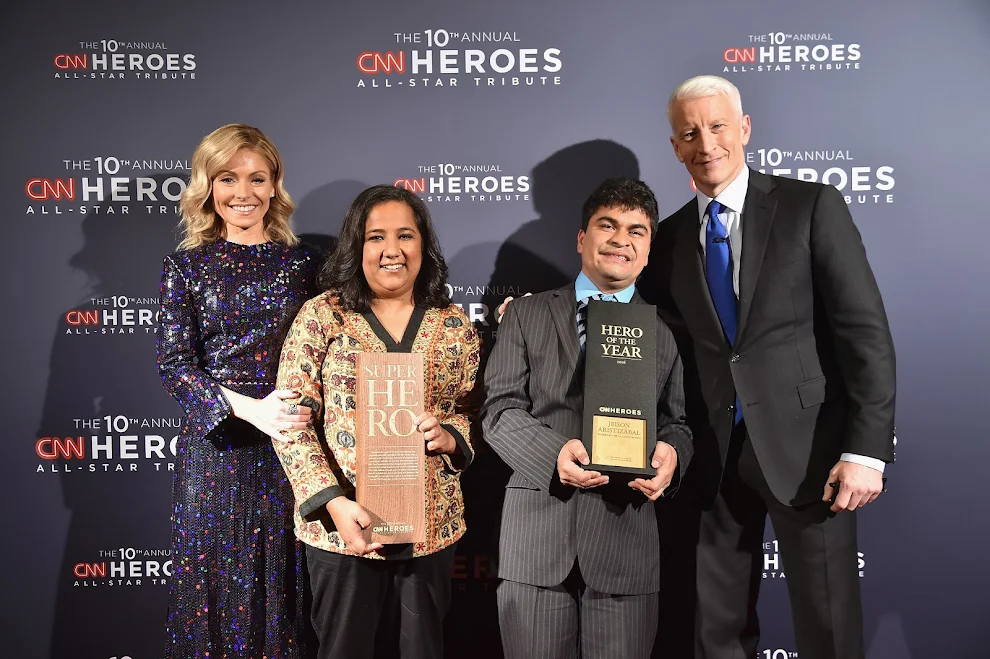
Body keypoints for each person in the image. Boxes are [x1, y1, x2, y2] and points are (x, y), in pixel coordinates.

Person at [637, 75, 896, 659]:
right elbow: (653, 341)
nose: (707, 143)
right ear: (675, 147)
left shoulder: (810, 206)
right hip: (711, 463)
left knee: (830, 632)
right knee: (716, 634)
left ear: (745, 128)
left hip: (812, 456)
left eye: (718, 126)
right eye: (689, 133)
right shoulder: (667, 239)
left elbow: (865, 334)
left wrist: (866, 451)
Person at [481, 178, 693, 658]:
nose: (621, 240)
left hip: (626, 542)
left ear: (648, 251)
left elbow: (677, 423)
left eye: (637, 231)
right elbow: (498, 411)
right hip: (536, 542)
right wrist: (554, 454)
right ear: (582, 238)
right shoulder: (526, 314)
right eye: (607, 225)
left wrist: (673, 455)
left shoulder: (664, 334)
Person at [271, 184, 480, 659]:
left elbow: (466, 409)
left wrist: (449, 438)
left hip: (431, 528)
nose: (392, 250)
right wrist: (333, 504)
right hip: (343, 528)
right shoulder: (323, 316)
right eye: (376, 237)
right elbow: (290, 421)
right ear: (356, 245)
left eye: (405, 236)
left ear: (423, 245)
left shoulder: (454, 325)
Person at [157, 123, 320, 658]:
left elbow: (340, 346)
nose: (243, 193)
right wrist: (253, 410)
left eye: (257, 178)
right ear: (208, 187)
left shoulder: (305, 266)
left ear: (275, 186)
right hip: (216, 456)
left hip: (290, 449)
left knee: (284, 591)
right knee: (214, 595)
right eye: (227, 178)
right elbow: (175, 365)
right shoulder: (185, 267)